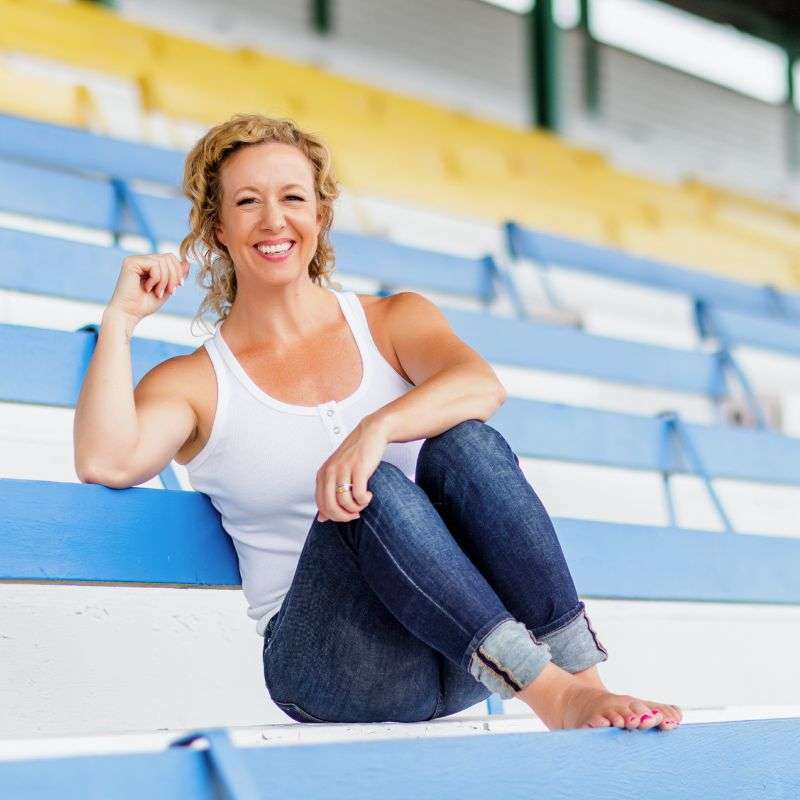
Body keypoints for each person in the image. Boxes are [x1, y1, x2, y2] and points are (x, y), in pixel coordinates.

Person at [74, 113, 682, 732]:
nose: (273, 220)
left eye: (293, 198)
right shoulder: (198, 382)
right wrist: (120, 322)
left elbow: (481, 386)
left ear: (320, 214)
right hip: (333, 668)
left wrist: (375, 430)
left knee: (466, 444)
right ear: (218, 226)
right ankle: (555, 696)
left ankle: (583, 681)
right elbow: (106, 460)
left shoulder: (392, 320)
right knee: (370, 493)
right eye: (248, 202)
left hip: (459, 652)